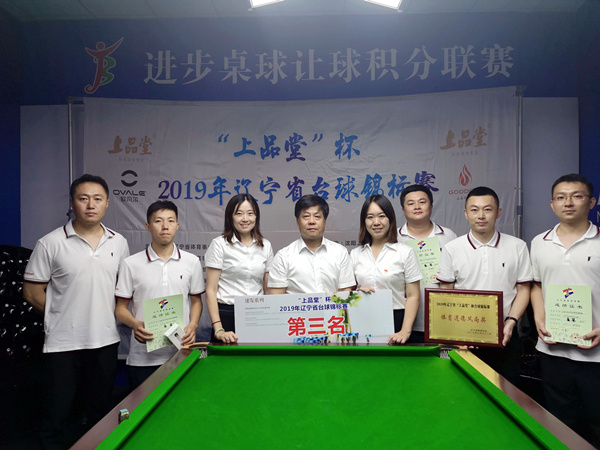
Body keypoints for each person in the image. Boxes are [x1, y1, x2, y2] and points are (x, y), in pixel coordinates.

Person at [23, 174, 130, 449]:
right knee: (57, 413)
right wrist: (62, 315)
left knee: (99, 412)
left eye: (97, 199)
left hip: (105, 340)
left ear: (107, 203)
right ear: (72, 203)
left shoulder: (119, 242)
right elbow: (32, 292)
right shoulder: (50, 243)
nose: (90, 205)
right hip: (63, 344)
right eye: (83, 199)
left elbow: (124, 290)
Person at [530, 173, 600, 446]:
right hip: (553, 349)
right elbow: (536, 284)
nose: (568, 203)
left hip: (596, 355)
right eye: (560, 197)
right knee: (560, 422)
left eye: (576, 196)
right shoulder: (539, 242)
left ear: (591, 202)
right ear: (552, 204)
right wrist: (539, 317)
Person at [436, 186, 532, 385]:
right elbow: (446, 293)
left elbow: (524, 289)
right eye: (474, 210)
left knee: (507, 389)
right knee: (464, 389)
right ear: (466, 213)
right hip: (464, 337)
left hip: (505, 333)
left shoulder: (517, 246)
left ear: (498, 212)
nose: (481, 215)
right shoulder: (452, 248)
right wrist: (456, 334)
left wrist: (511, 321)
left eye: (487, 209)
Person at [115, 200, 204, 390]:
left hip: (181, 352)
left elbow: (196, 301)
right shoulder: (131, 264)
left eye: (170, 221)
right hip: (142, 357)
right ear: (148, 226)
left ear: (177, 225)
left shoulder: (191, 262)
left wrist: (193, 325)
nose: (165, 226)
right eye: (158, 221)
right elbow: (120, 308)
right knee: (142, 404)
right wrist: (135, 324)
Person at [351, 195, 422, 344]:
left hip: (397, 319)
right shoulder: (355, 254)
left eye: (382, 216)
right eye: (370, 217)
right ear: (364, 221)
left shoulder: (405, 252)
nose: (376, 222)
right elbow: (348, 292)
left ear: (390, 219)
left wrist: (405, 331)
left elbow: (413, 295)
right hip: (363, 317)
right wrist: (357, 292)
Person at [204, 194, 273, 344]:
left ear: (256, 216)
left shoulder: (265, 245)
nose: (245, 219)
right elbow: (211, 290)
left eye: (250, 213)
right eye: (239, 213)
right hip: (227, 315)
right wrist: (218, 329)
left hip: (257, 314)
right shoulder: (219, 245)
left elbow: (267, 289)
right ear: (230, 217)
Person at [397, 184, 457, 342]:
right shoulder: (394, 239)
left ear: (431, 206)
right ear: (403, 210)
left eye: (422, 202)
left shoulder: (448, 236)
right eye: (411, 203)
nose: (417, 207)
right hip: (403, 322)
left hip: (442, 319)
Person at [268, 194, 355, 295]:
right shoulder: (283, 257)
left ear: (324, 222)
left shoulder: (340, 253)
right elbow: (277, 299)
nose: (312, 221)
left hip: (332, 306)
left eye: (317, 216)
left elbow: (346, 293)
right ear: (298, 222)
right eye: (306, 216)